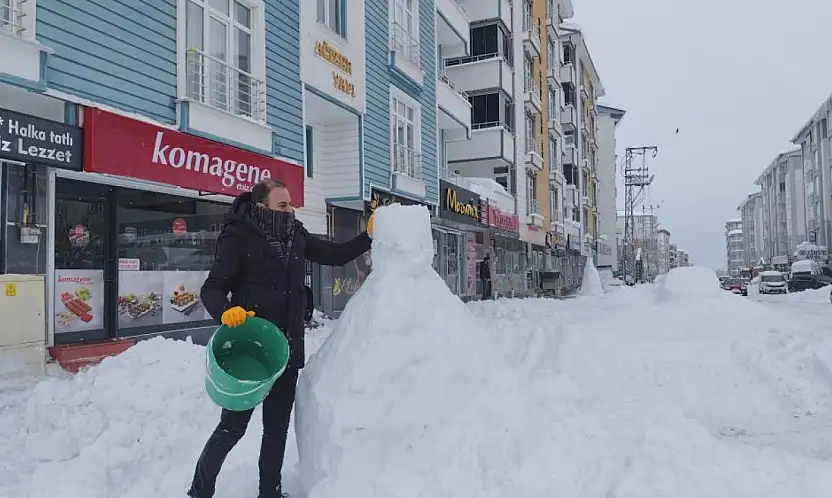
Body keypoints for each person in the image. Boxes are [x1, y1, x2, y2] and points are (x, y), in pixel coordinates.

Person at [188, 179, 373, 498]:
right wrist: (225, 311)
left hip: (286, 350)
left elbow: (337, 254)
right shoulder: (238, 236)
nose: (290, 210)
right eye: (283, 205)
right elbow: (212, 288)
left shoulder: (296, 235)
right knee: (232, 429)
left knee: (276, 431)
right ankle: (200, 491)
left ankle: (269, 493)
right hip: (250, 354)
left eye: (291, 204)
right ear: (262, 207)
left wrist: (368, 235)